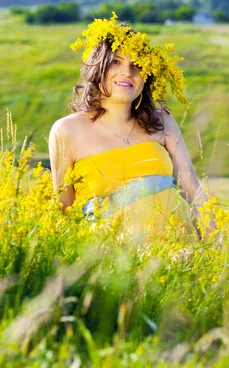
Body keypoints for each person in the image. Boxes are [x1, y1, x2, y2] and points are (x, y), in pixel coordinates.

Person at [48, 12, 208, 241]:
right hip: (110, 264)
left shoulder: (162, 123)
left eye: (136, 65)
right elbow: (64, 212)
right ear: (98, 68)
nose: (127, 73)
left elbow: (192, 190)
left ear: (146, 76)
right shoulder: (66, 131)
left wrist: (216, 250)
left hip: (177, 256)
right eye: (116, 62)